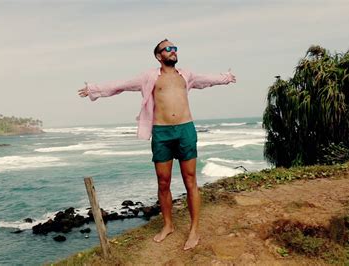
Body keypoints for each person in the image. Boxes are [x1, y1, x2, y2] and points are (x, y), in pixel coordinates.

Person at [78, 39, 236, 250]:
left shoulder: (186, 75)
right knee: (163, 182)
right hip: (161, 132)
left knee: (190, 180)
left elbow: (208, 79)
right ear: (158, 56)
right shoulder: (149, 77)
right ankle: (168, 225)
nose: (173, 51)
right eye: (168, 49)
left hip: (185, 130)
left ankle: (194, 230)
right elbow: (121, 85)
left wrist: (226, 78)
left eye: (175, 48)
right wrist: (94, 89)